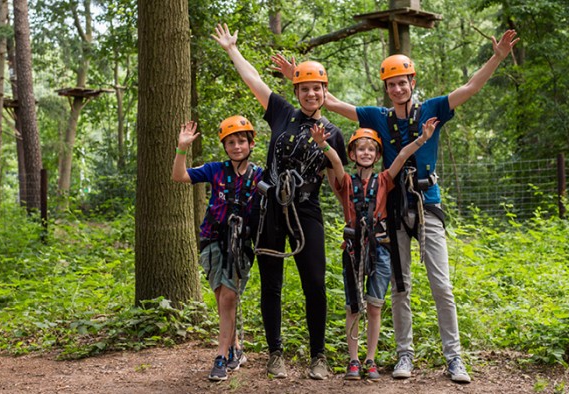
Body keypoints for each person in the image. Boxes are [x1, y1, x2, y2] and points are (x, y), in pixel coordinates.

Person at [272, 28, 519, 383]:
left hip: (426, 206)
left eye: (403, 82)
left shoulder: (432, 109)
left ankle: (454, 357)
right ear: (386, 88)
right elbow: (330, 102)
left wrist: (496, 57)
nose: (398, 89)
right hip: (392, 212)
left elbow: (470, 90)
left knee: (441, 285)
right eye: (392, 84)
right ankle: (405, 355)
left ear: (412, 82)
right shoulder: (377, 117)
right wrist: (297, 78)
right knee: (401, 286)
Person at [212, 24, 348, 380]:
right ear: (297, 90)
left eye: (316, 89)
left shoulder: (334, 133)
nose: (310, 94)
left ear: (324, 90)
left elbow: (339, 181)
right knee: (271, 283)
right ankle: (275, 354)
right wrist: (231, 49)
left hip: (306, 210)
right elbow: (254, 79)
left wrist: (329, 153)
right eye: (304, 89)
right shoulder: (282, 113)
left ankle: (318, 356)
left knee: (314, 284)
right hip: (270, 207)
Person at [311, 117, 437, 381]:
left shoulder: (384, 179)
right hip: (354, 249)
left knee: (375, 306)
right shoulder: (345, 182)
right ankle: (354, 360)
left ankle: (370, 359)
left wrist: (422, 139)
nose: (365, 153)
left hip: (379, 248)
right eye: (360, 149)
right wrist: (322, 144)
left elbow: (402, 156)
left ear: (377, 154)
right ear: (353, 154)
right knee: (354, 307)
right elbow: (334, 161)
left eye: (371, 149)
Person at [171, 116, 263, 381]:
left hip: (241, 244)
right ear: (225, 146)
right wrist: (182, 149)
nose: (236, 146)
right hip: (212, 240)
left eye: (241, 141)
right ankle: (235, 348)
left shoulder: (259, 176)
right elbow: (179, 176)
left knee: (229, 297)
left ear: (250, 143)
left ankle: (221, 356)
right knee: (222, 297)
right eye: (231, 142)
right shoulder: (215, 170)